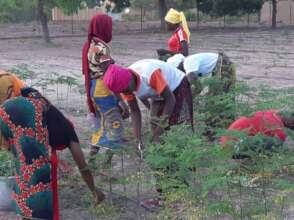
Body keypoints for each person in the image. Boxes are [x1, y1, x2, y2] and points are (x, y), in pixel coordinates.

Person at [0, 72, 104, 219]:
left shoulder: (30, 109)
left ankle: (28, 212)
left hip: (41, 145)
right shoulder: (66, 131)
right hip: (42, 150)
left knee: (81, 166)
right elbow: (82, 167)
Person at [102, 59, 193, 146]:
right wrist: (138, 140)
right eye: (123, 92)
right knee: (154, 122)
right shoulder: (124, 85)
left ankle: (184, 152)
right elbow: (134, 111)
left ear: (129, 79)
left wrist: (160, 129)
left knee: (178, 124)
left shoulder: (149, 74)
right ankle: (164, 153)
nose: (127, 93)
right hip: (158, 92)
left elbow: (170, 99)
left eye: (126, 90)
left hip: (177, 85)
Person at [82, 14, 129, 159]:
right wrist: (121, 100)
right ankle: (106, 163)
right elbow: (110, 75)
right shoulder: (101, 47)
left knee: (101, 124)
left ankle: (92, 160)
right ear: (103, 27)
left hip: (95, 88)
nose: (111, 29)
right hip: (104, 89)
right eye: (110, 26)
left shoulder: (91, 44)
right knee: (115, 123)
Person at [220, 110, 294, 157]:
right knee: (276, 143)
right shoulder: (279, 129)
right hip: (232, 147)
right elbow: (280, 144)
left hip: (226, 140)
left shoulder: (272, 113)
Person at [166, 52, 236, 95]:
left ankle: (224, 118)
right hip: (220, 66)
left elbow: (198, 87)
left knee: (222, 95)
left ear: (178, 66)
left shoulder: (188, 63)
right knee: (215, 95)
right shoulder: (189, 62)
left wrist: (191, 98)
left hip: (223, 66)